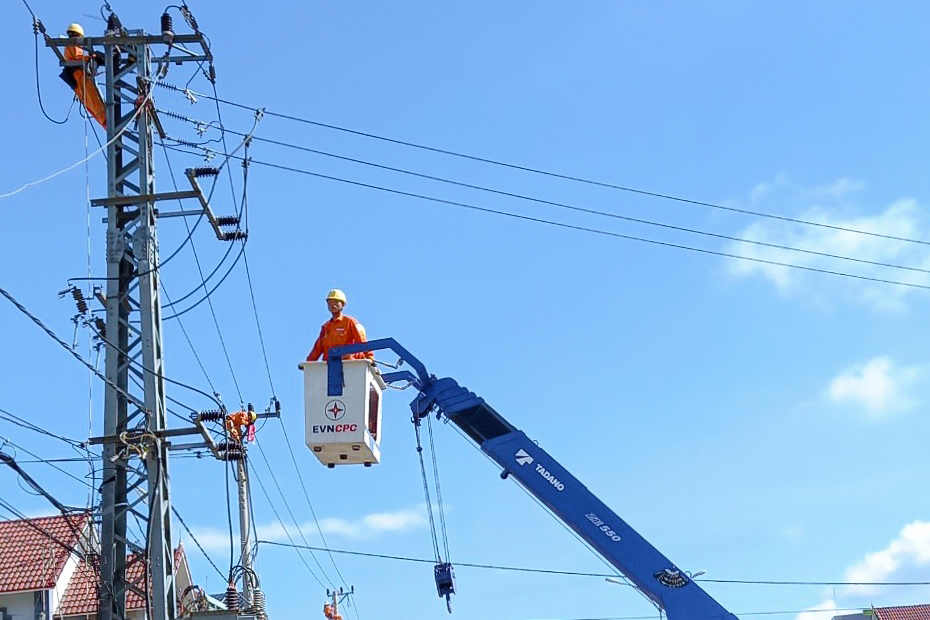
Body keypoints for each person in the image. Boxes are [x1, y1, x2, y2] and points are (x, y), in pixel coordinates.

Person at [306, 289, 374, 362]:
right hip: (329, 365)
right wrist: (308, 362)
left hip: (346, 364)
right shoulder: (326, 327)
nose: (333, 305)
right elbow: (317, 348)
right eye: (330, 302)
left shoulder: (349, 322)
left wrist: (370, 358)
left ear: (343, 304)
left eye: (336, 302)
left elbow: (362, 342)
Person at [61, 23, 106, 128]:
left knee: (90, 101)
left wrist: (92, 58)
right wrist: (93, 58)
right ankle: (105, 121)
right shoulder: (73, 44)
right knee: (93, 99)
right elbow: (78, 57)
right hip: (79, 75)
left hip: (78, 76)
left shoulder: (71, 45)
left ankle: (105, 121)